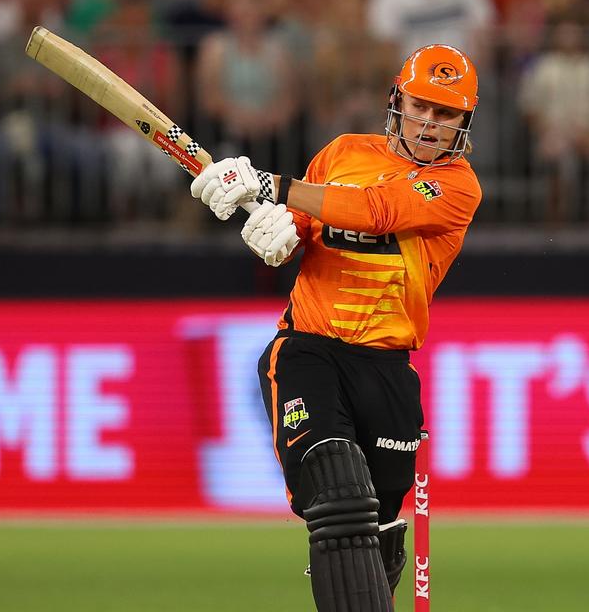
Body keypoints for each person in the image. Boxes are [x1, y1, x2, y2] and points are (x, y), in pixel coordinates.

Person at [189, 44, 483, 611]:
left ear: (463, 123)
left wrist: (270, 185)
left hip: (387, 369)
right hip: (309, 350)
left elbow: (377, 210)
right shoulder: (344, 152)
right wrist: (274, 234)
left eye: (446, 113)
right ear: (397, 100)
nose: (429, 122)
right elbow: (302, 228)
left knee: (374, 539)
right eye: (421, 105)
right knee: (339, 493)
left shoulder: (457, 186)